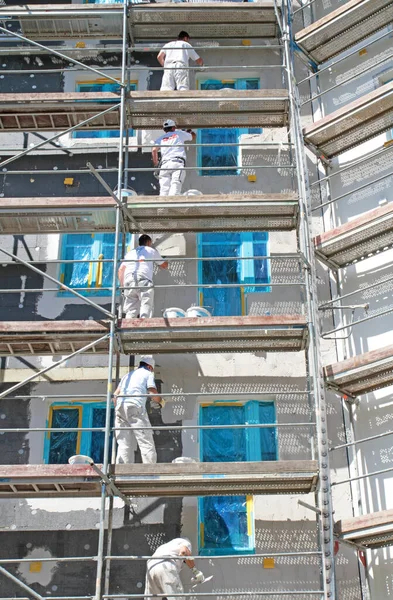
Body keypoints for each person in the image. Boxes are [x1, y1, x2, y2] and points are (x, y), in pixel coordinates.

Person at [113, 356, 163, 464]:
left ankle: (123, 470)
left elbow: (115, 395)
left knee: (124, 443)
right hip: (134, 406)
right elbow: (152, 393)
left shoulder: (127, 375)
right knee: (145, 440)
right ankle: (150, 471)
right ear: (149, 367)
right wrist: (161, 401)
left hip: (120, 408)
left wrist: (121, 409)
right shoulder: (148, 373)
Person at [118, 234, 168, 319]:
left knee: (131, 309)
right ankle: (144, 325)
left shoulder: (130, 253)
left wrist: (123, 287)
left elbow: (120, 270)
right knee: (146, 304)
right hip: (143, 280)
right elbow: (164, 265)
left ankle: (129, 328)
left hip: (129, 281)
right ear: (148, 242)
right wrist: (166, 261)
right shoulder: (150, 250)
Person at [152, 120, 196, 196]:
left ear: (164, 129)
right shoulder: (179, 134)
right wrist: (189, 131)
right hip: (177, 163)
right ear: (173, 128)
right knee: (175, 184)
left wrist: (156, 165)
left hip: (164, 165)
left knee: (164, 189)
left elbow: (154, 150)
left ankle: (162, 207)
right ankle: (172, 206)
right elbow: (193, 136)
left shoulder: (161, 138)